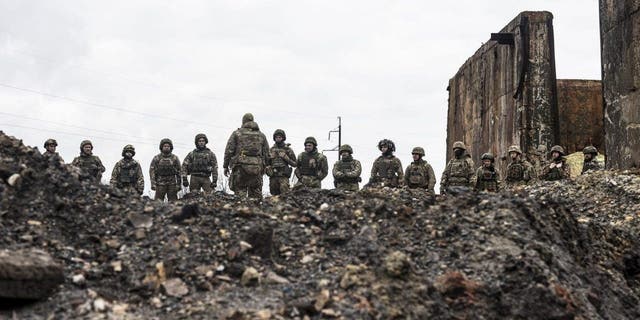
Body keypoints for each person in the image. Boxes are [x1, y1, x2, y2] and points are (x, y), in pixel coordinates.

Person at [223, 115, 269, 199]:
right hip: (257, 168)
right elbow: (266, 153)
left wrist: (225, 166)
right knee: (256, 195)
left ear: (243, 121)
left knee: (240, 195)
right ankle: (256, 210)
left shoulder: (237, 133)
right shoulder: (261, 135)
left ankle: (241, 210)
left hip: (240, 168)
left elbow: (229, 150)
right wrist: (266, 166)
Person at [266, 129, 296, 195]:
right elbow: (266, 163)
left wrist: (286, 158)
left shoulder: (287, 149)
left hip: (283, 176)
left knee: (284, 194)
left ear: (283, 138)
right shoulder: (271, 149)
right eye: (276, 137)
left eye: (280, 137)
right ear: (274, 138)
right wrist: (270, 158)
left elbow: (295, 164)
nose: (278, 139)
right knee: (273, 194)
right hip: (273, 176)